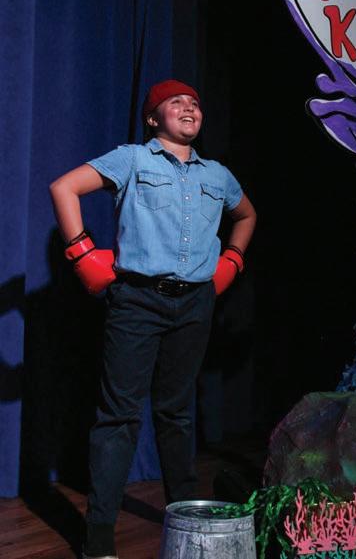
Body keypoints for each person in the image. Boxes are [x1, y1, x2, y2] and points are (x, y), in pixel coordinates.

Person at [49, 79, 257, 559]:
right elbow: (65, 187)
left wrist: (232, 261)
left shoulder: (218, 175)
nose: (188, 107)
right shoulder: (133, 160)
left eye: (195, 102)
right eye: (175, 102)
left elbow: (247, 216)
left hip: (195, 304)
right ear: (152, 118)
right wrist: (81, 254)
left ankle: (187, 521)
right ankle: (99, 533)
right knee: (119, 416)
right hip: (137, 302)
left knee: (177, 413)